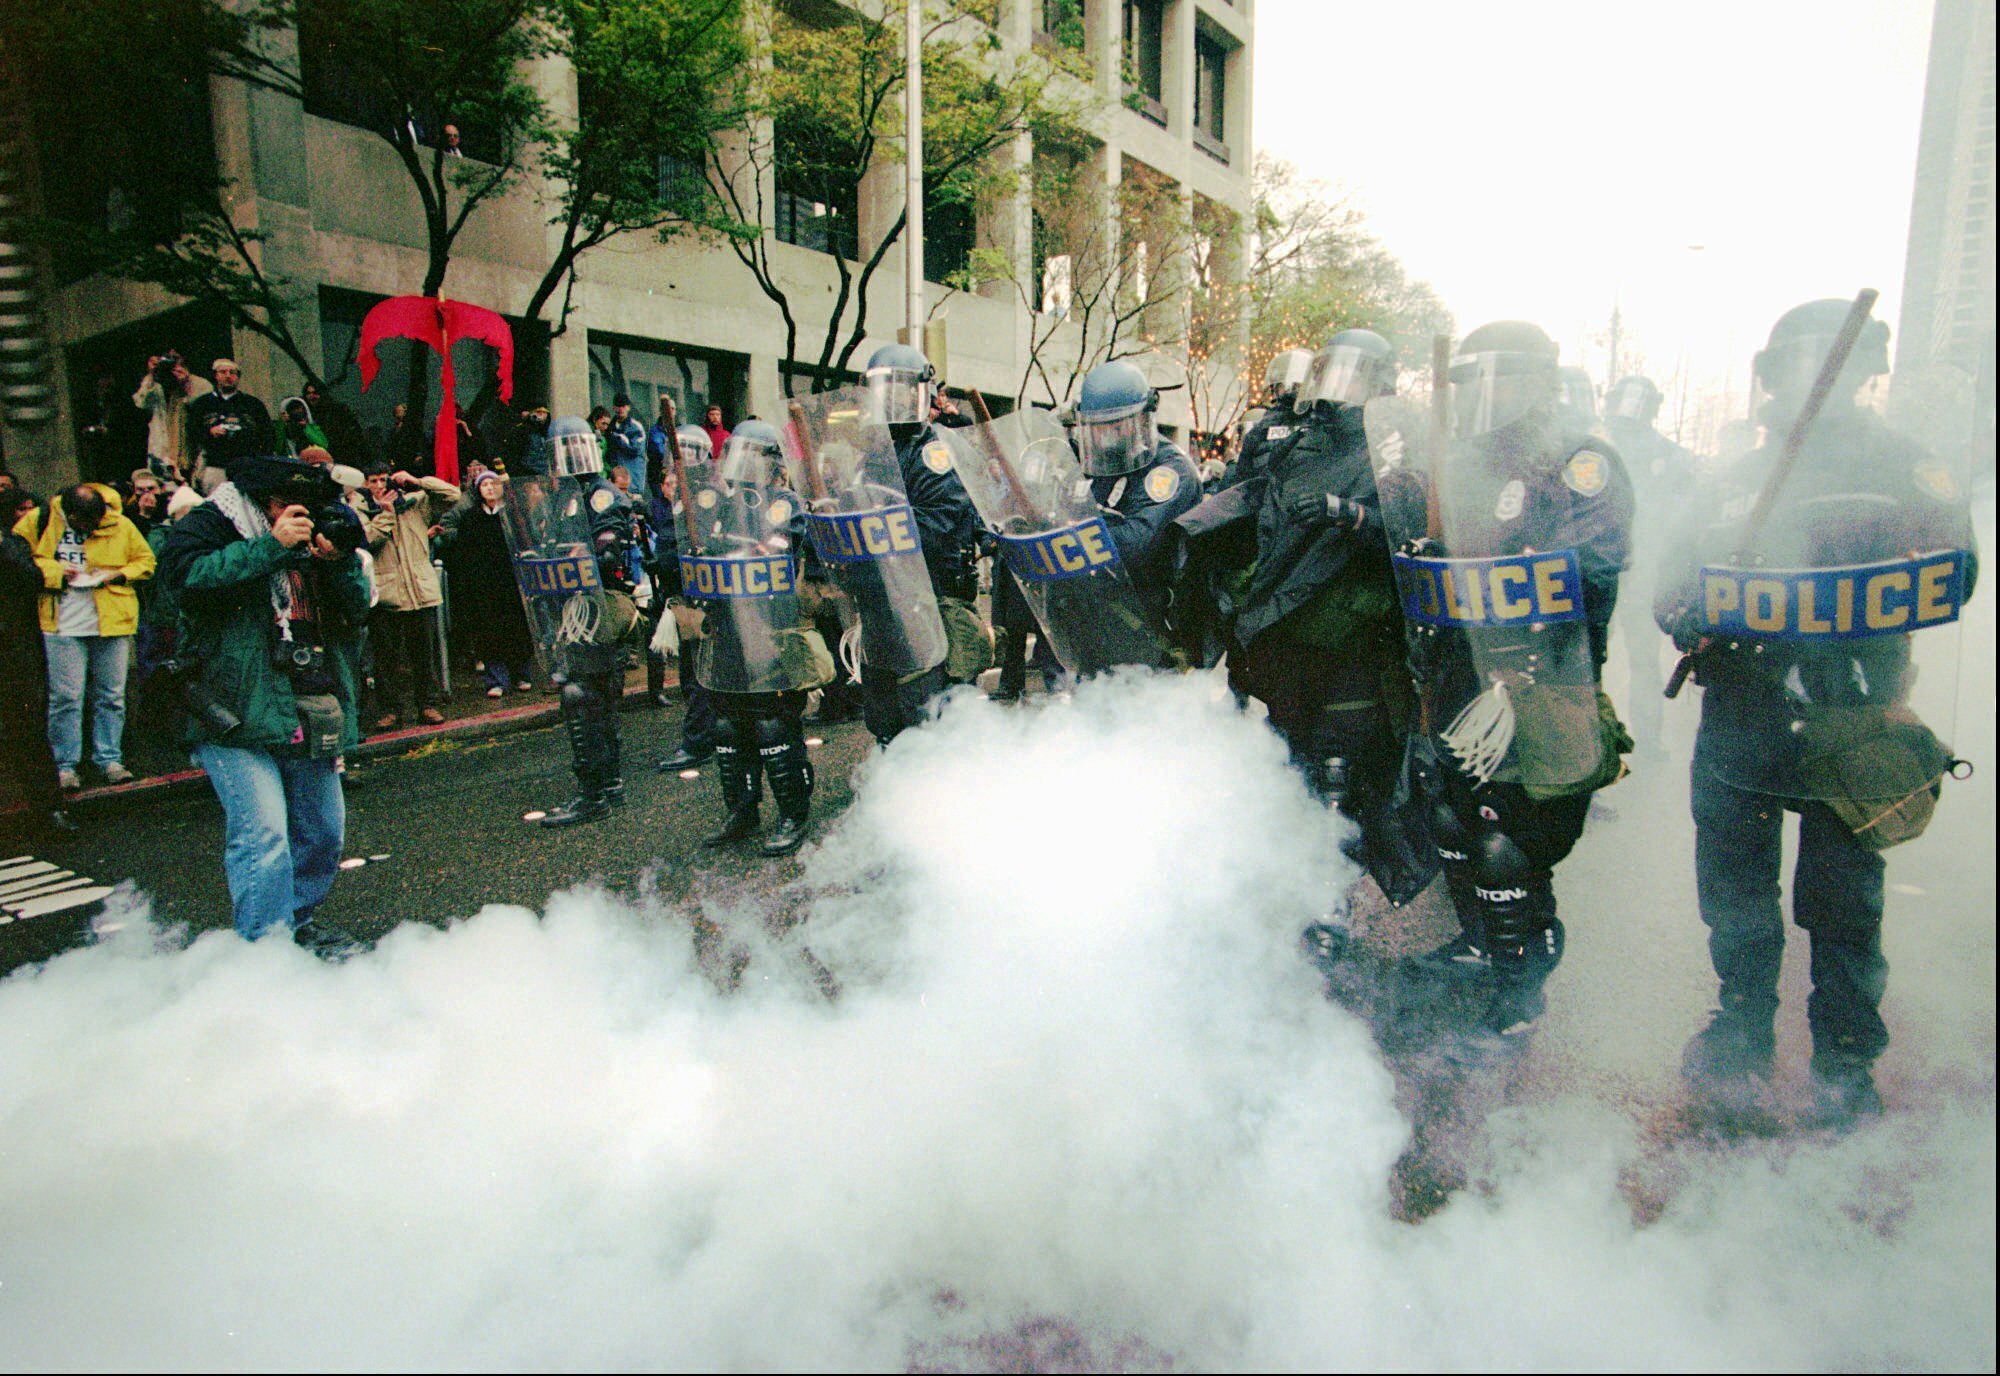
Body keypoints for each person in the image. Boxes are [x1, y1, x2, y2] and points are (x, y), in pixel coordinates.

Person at [1656, 299, 1979, 1126]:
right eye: (1795, 369)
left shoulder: (1907, 469)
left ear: (1865, 374)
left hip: (1853, 721)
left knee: (1844, 907)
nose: (1813, 386)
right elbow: (1669, 586)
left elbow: (1956, 571)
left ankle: (1844, 1064)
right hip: (1742, 717)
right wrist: (1694, 610)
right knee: (1735, 896)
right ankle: (1740, 1034)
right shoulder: (1730, 479)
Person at [1386, 320, 1634, 1043]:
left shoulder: (1580, 464)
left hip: (1540, 680)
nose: (1480, 399)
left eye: (1496, 382)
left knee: (1507, 839)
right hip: (1462, 676)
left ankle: (1520, 991)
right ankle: (1477, 940)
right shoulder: (1460, 462)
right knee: (1451, 820)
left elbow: (1598, 562)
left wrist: (1500, 572)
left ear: (1539, 385)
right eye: (1468, 384)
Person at [156, 455, 371, 956]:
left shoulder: (317, 530)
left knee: (322, 832)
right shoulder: (211, 525)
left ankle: (296, 923)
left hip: (308, 701)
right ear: (259, 501)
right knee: (265, 835)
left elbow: (357, 609)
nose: (294, 512)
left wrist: (338, 563)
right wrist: (269, 549)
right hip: (232, 710)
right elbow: (183, 584)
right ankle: (263, 951)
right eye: (281, 504)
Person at [1235, 330, 1409, 892]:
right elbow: (1253, 512)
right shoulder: (1299, 442)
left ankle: (1332, 899)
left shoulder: (1397, 446)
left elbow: (1418, 534)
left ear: (1381, 382)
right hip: (1290, 633)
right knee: (1291, 761)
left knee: (1341, 771)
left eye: (1353, 373)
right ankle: (1289, 882)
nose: (1340, 384)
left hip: (1358, 634)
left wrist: (1351, 515)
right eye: (1331, 370)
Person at [685, 419, 830, 855]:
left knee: (773, 723)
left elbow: (780, 548)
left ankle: (792, 814)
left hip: (771, 627)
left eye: (754, 456)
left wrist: (745, 549)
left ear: (771, 462)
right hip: (728, 626)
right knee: (729, 726)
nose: (744, 465)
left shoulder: (784, 503)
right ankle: (741, 811)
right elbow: (699, 553)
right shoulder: (717, 504)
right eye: (738, 454)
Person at [848, 343, 988, 746]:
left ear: (923, 393)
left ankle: (943, 799)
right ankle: (895, 794)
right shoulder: (868, 456)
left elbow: (931, 527)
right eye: (883, 390)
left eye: (902, 389)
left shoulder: (935, 454)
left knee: (930, 714)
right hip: (882, 604)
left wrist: (864, 535)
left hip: (931, 602)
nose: (891, 400)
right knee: (884, 714)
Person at [511, 415, 648, 827]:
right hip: (568, 608)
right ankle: (607, 785)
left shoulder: (603, 496)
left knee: (584, 694)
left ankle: (594, 792)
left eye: (576, 446)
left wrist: (575, 557)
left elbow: (607, 552)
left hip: (598, 606)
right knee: (594, 697)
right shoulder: (561, 497)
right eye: (563, 448)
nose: (571, 456)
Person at [14, 483, 156, 789]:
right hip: (62, 620)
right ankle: (65, 765)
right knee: (66, 697)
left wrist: (117, 575)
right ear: (69, 513)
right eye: (84, 524)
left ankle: (110, 759)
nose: (91, 529)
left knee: (112, 694)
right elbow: (16, 559)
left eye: (96, 522)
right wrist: (53, 572)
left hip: (112, 618)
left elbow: (146, 562)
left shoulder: (120, 522)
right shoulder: (39, 520)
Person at [1598, 375, 1696, 757]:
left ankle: (1645, 744)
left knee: (1629, 664)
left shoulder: (1600, 451)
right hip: (1615, 572)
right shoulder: (1596, 451)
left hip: (1630, 571)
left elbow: (1682, 521)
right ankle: (1641, 746)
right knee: (1624, 664)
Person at [1070, 359, 1201, 634]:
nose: (1104, 436)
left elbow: (1135, 544)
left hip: (1154, 623)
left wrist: (1066, 541)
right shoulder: (1098, 467)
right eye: (1097, 426)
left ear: (1142, 418)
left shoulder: (1170, 471)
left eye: (1116, 425)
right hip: (1097, 619)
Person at [360, 463, 461, 727]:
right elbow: (366, 540)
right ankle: (391, 710)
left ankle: (428, 705)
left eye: (383, 479)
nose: (380, 486)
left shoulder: (415, 504)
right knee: (387, 659)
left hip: (419, 589)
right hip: (385, 592)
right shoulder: (360, 510)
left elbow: (453, 495)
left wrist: (417, 480)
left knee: (423, 655)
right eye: (373, 481)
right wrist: (385, 515)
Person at [1, 488, 75, 842]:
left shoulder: (9, 542)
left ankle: (49, 809)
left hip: (14, 653)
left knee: (28, 732)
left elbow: (30, 576)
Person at [652, 431, 722, 769]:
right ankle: (707, 736)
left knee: (700, 673)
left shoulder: (706, 495)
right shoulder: (682, 496)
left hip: (704, 600)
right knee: (692, 673)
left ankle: (700, 742)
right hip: (682, 595)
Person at [443, 470, 537, 698]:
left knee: (516, 628)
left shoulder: (513, 515)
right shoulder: (471, 518)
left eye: (493, 483)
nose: (489, 488)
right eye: (484, 485)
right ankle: (496, 679)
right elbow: (465, 553)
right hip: (485, 584)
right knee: (490, 632)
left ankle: (521, 674)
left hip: (511, 581)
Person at [185, 358, 275, 488]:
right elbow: (192, 431)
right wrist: (209, 432)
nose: (228, 376)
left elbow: (268, 434)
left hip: (247, 466)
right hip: (215, 466)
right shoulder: (202, 404)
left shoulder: (252, 404)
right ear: (216, 375)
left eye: (232, 373)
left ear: (238, 377)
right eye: (223, 372)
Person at [1232, 347, 1313, 487]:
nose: (1289, 391)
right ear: (1274, 388)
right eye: (1283, 386)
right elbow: (1242, 475)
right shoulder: (1262, 427)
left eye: (1297, 386)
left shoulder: (1318, 422)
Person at [132, 351, 211, 484]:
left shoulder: (200, 383)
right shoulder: (156, 386)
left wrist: (186, 383)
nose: (171, 363)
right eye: (166, 359)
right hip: (163, 451)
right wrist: (151, 373)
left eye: (175, 358)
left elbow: (205, 410)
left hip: (191, 453)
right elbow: (141, 403)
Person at [606, 392, 648, 486]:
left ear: (628, 407)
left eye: (624, 406)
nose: (621, 409)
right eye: (618, 405)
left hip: (632, 482)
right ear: (614, 407)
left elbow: (635, 449)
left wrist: (618, 437)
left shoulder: (636, 427)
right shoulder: (610, 428)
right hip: (615, 483)